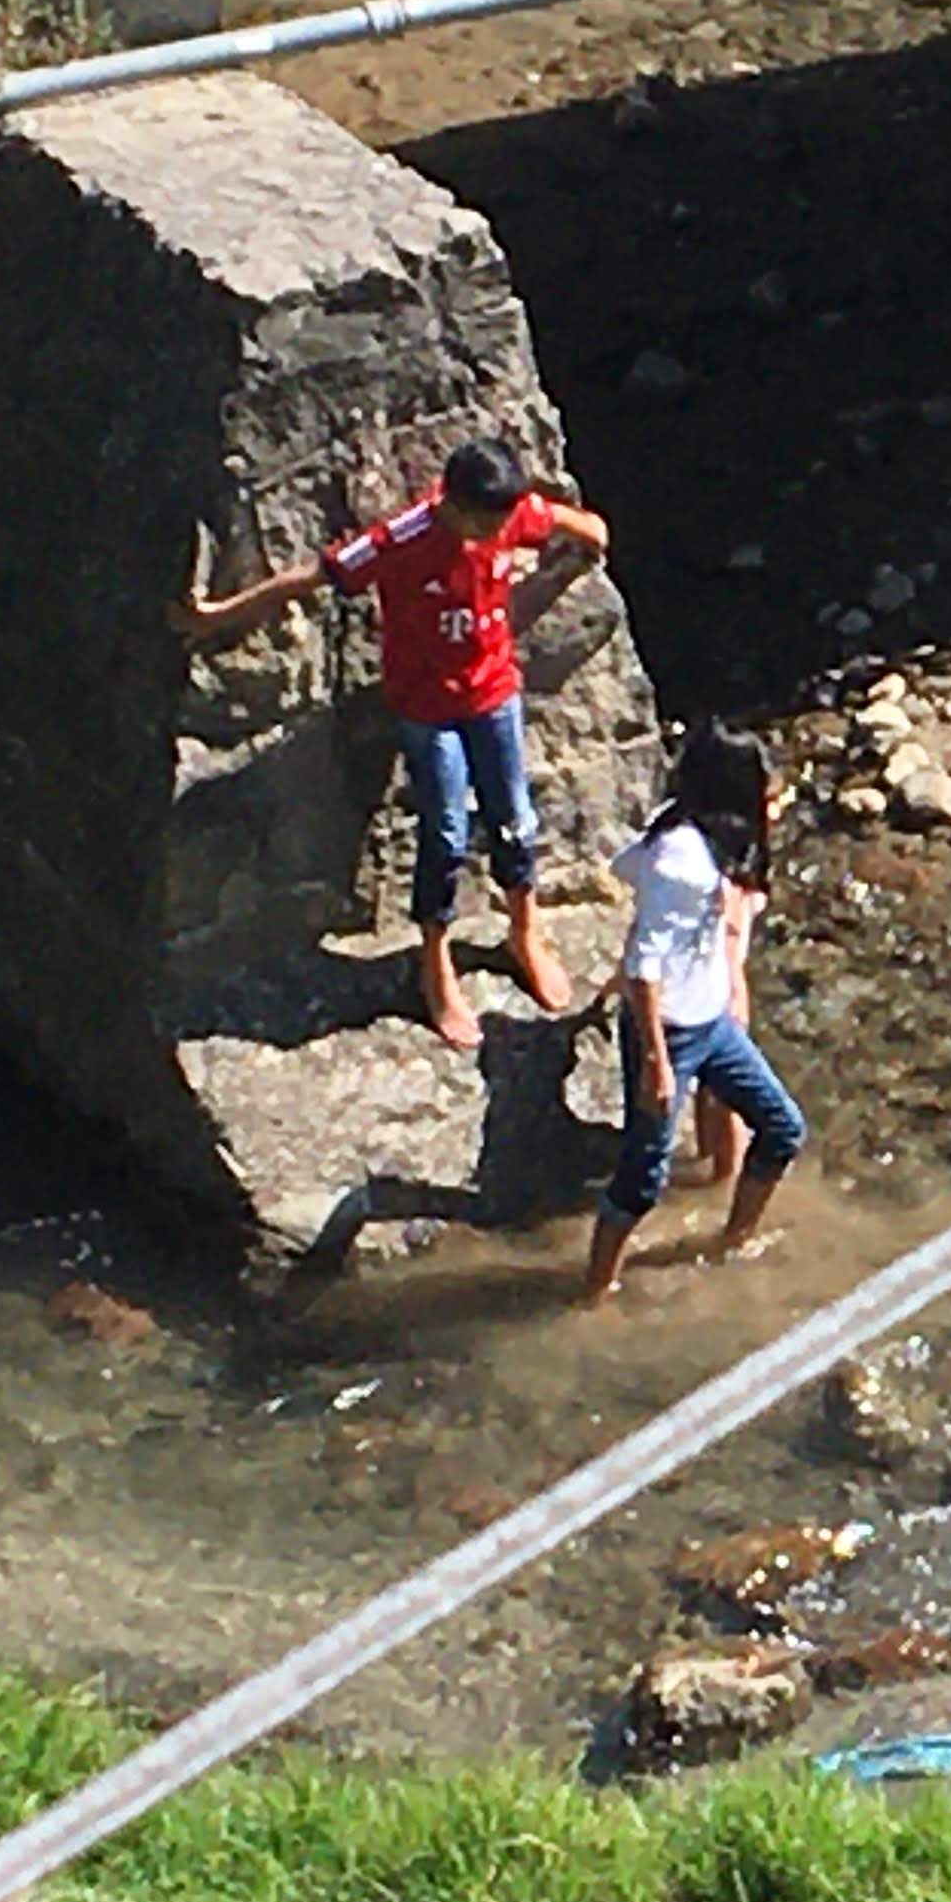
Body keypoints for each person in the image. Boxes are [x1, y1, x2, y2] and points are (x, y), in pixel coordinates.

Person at [174, 438, 611, 1053]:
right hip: (429, 710)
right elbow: (313, 577)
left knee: (515, 818)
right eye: (486, 523)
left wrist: (586, 543)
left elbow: (572, 523)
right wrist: (220, 616)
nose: (498, 533)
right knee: (446, 834)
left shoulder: (509, 516)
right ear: (455, 506)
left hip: (494, 695)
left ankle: (524, 932)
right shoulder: (403, 540)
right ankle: (436, 966)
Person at [578, 726, 805, 1309]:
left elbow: (624, 864)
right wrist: (656, 1061)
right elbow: (644, 965)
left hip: (713, 1023)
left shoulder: (696, 835)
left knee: (782, 1128)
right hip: (672, 1033)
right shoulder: (682, 861)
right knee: (642, 1181)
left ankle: (735, 1240)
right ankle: (595, 1293)